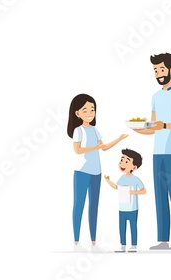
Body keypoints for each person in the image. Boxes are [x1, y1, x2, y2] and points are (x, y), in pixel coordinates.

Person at [133, 53, 171, 250]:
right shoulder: (155, 97)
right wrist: (139, 129)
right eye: (155, 70)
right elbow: (154, 127)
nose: (158, 74)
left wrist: (163, 124)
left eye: (161, 69)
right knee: (159, 195)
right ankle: (163, 240)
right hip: (157, 153)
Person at [67, 93, 128, 252]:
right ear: (77, 113)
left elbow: (104, 147)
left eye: (92, 109)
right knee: (79, 205)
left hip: (96, 172)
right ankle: (76, 242)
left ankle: (93, 243)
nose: (90, 113)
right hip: (82, 172)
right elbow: (77, 150)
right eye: (85, 110)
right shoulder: (78, 130)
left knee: (94, 206)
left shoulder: (94, 130)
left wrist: (119, 139)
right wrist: (95, 148)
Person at [104, 149, 146, 253]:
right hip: (122, 207)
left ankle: (134, 245)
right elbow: (116, 187)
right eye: (122, 160)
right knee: (122, 227)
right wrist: (108, 181)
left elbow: (144, 190)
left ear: (134, 167)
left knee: (133, 226)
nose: (122, 163)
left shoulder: (136, 179)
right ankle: (122, 245)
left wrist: (133, 193)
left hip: (132, 208)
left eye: (126, 161)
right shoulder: (122, 178)